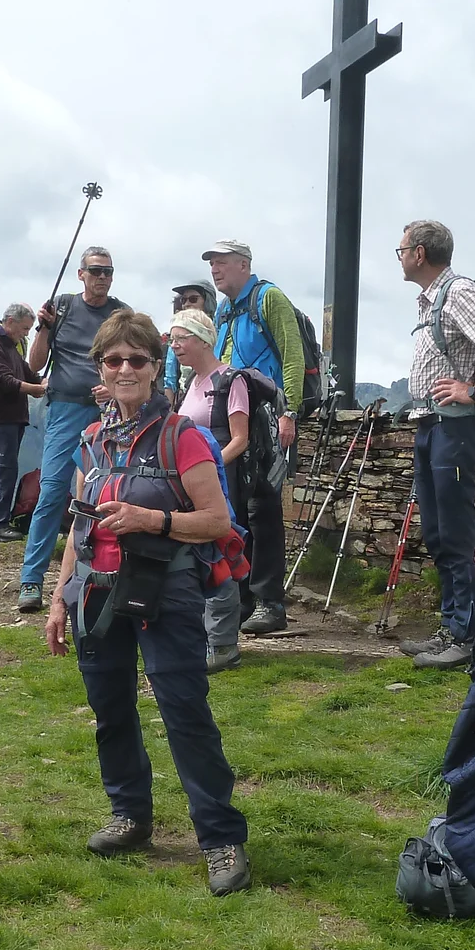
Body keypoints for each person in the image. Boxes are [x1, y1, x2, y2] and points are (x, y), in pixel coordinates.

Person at [43, 310, 251, 896]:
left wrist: (150, 519)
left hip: (167, 592)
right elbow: (79, 530)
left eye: (137, 359)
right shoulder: (92, 440)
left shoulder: (182, 436)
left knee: (184, 713)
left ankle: (220, 839)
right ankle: (131, 815)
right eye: (114, 360)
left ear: (157, 367)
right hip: (98, 593)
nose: (126, 368)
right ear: (100, 372)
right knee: (111, 710)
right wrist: (60, 599)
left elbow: (216, 521)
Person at [394, 219, 475, 670]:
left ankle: (465, 636)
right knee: (437, 532)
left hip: (453, 428)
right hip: (431, 425)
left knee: (453, 531)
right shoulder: (432, 300)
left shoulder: (458, 293)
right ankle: (451, 626)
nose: (399, 257)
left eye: (401, 249)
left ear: (419, 254)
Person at [17, 248, 129, 613]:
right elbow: (33, 367)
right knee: (52, 490)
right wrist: (44, 329)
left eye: (108, 272)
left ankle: (103, 576)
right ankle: (31, 580)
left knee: (108, 493)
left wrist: (111, 388)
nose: (103, 277)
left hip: (108, 410)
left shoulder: (120, 314)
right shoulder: (61, 308)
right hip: (64, 408)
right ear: (80, 273)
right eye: (96, 271)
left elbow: (126, 360)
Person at [204, 239, 299, 635]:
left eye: (222, 262)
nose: (215, 269)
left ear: (244, 265)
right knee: (237, 508)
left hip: (266, 418)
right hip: (235, 417)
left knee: (264, 509)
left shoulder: (269, 298)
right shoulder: (225, 309)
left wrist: (289, 412)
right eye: (212, 264)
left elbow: (293, 353)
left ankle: (270, 602)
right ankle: (242, 600)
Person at [170, 307, 250, 674]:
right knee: (198, 555)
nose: (175, 346)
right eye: (172, 340)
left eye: (180, 338)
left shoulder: (229, 381)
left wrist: (211, 467)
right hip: (194, 481)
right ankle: (207, 639)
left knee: (219, 553)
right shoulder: (193, 383)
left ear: (202, 340)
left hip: (218, 481)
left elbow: (240, 439)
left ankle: (223, 645)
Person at [0, 303, 46, 541]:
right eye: (24, 328)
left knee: (0, 470)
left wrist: (42, 382)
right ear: (10, 322)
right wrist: (34, 389)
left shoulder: (11, 348)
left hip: (11, 419)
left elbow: (28, 373)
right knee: (3, 470)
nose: (26, 333)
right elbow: (0, 379)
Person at [162, 281, 217, 397]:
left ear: (208, 302)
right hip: (185, 396)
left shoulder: (220, 330)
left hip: (213, 393)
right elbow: (170, 378)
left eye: (193, 299)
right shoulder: (176, 336)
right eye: (183, 300)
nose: (186, 304)